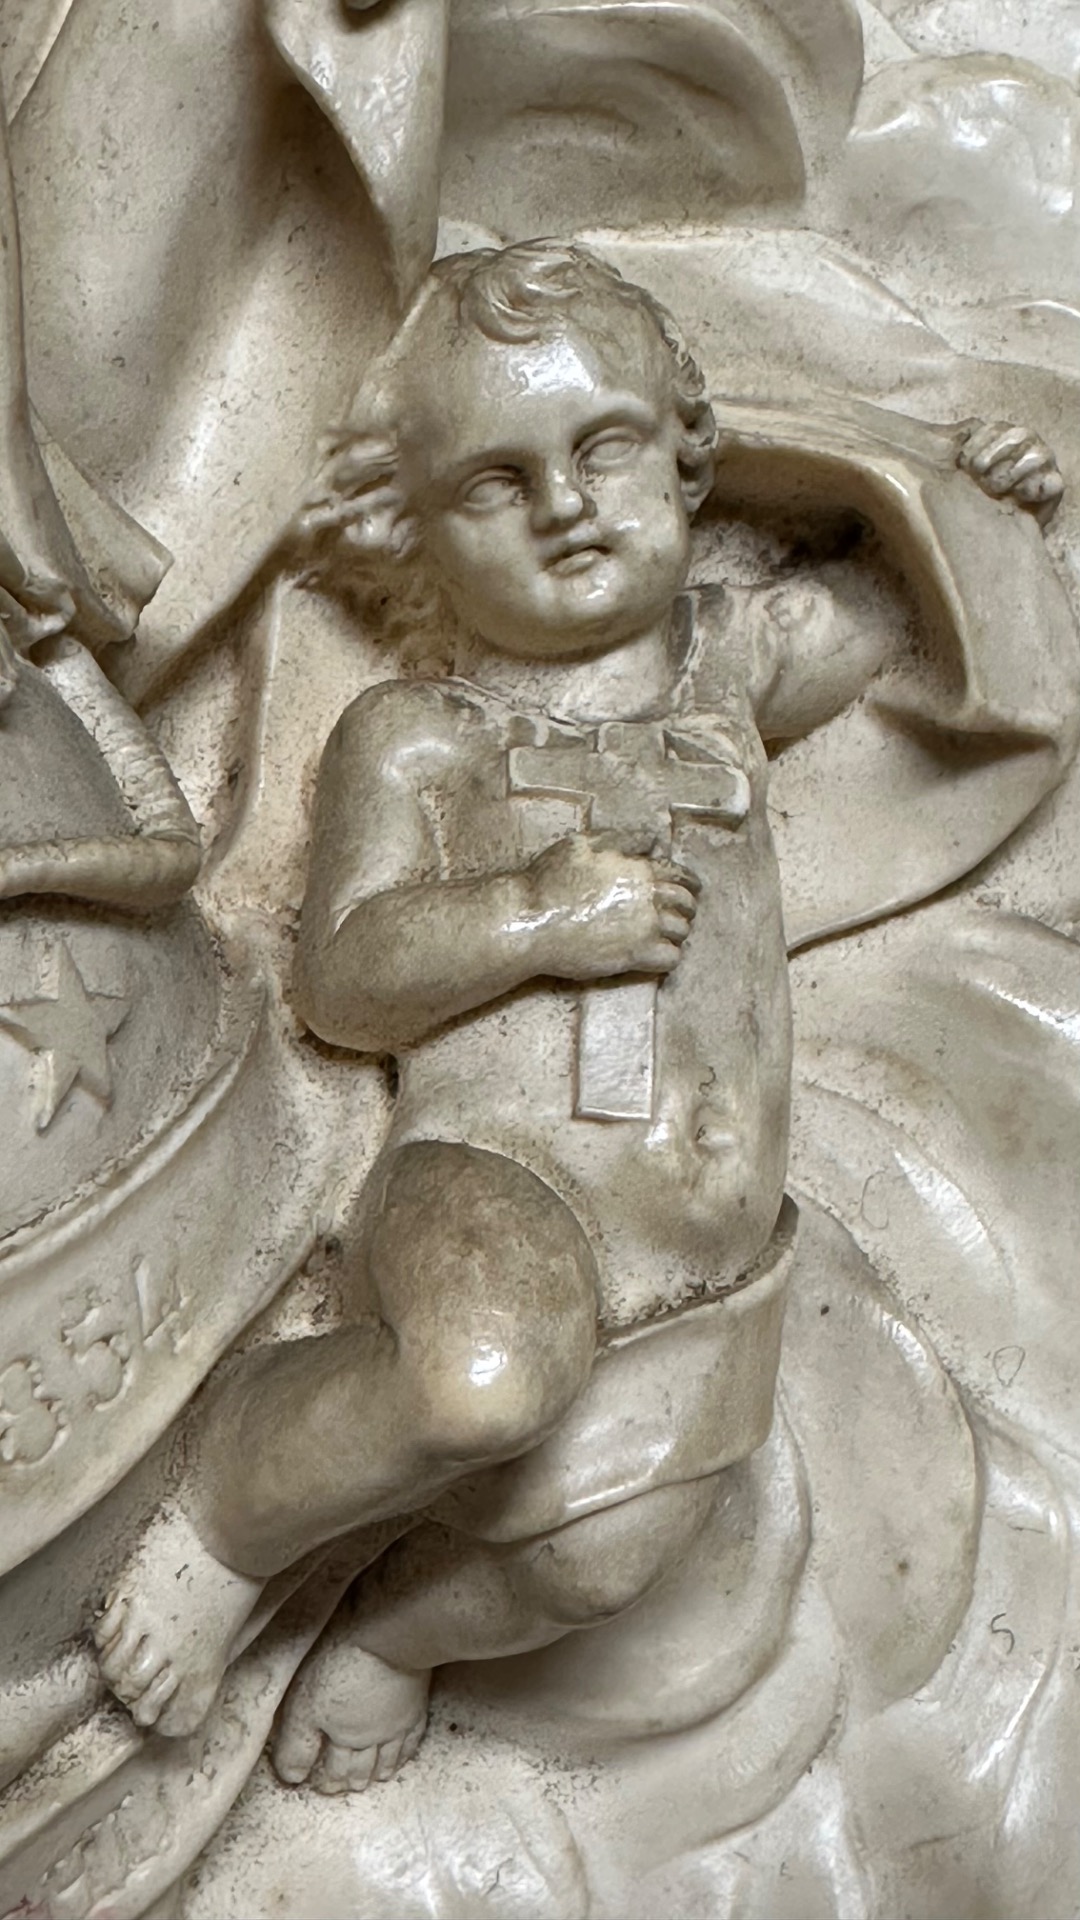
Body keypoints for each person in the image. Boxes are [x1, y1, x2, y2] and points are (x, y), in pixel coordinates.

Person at [93, 241, 1065, 1781]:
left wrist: (981, 494)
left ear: (684, 460)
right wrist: (537, 914)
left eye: (603, 445)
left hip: (701, 1248)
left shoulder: (732, 663)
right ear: (412, 528)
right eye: (496, 479)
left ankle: (396, 1635)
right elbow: (343, 976)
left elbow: (913, 611)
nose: (563, 503)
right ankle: (222, 1517)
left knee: (598, 1567)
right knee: (481, 1374)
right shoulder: (419, 736)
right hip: (496, 1177)